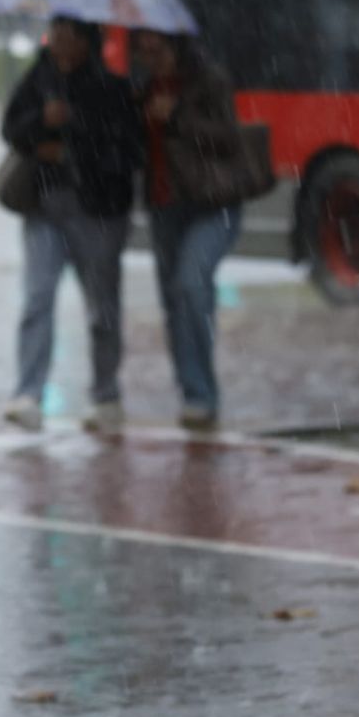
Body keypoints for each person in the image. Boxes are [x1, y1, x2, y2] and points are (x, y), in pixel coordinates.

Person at [0, 16, 142, 434]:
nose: (59, 42)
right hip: (45, 206)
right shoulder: (38, 79)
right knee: (38, 298)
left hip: (98, 210)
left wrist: (77, 134)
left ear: (86, 41)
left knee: (102, 308)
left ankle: (105, 394)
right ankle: (28, 393)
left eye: (68, 34)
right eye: (55, 32)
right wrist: (41, 122)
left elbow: (129, 150)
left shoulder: (113, 87)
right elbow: (11, 128)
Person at [132, 30, 244, 430]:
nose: (151, 58)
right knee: (176, 300)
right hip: (165, 208)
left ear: (175, 46)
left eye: (157, 50)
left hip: (213, 204)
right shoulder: (143, 89)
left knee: (192, 284)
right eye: (143, 52)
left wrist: (177, 116)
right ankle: (191, 389)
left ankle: (202, 392)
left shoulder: (208, 81)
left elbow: (229, 139)